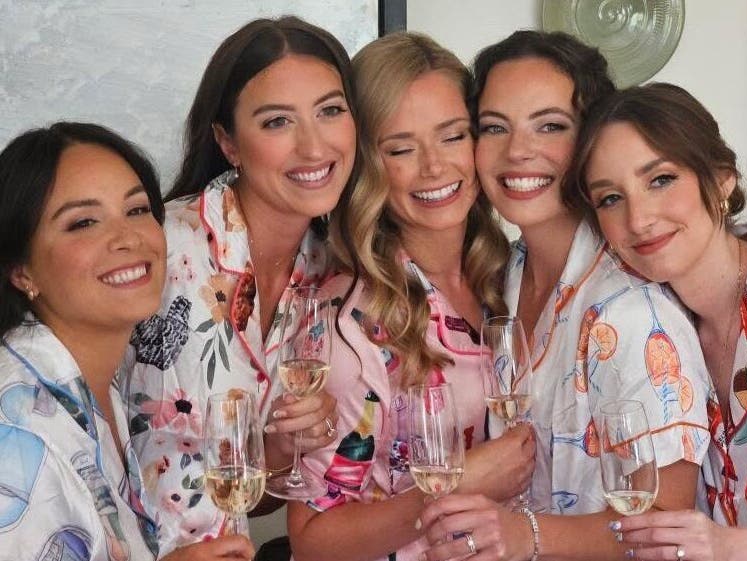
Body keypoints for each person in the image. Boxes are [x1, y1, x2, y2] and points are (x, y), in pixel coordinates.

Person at [419, 31, 713, 561]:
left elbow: (669, 528)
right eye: (494, 128)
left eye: (550, 125)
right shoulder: (503, 277)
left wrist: (522, 536)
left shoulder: (631, 313)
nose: (517, 152)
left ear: (590, 141)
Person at [286, 32, 535, 561]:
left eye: (452, 137)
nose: (434, 167)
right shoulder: (351, 329)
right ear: (367, 166)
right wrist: (455, 481)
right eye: (400, 148)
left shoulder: (510, 277)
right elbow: (312, 541)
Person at [118, 16, 356, 555]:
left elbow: (250, 497)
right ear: (228, 142)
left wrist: (276, 450)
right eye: (277, 122)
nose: (314, 146)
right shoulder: (161, 246)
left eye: (331, 111)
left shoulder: (326, 273)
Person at [0, 122, 255, 560]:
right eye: (83, 222)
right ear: (21, 270)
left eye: (137, 210)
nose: (128, 238)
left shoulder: (96, 382)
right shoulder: (19, 435)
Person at [566, 82, 747, 560]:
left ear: (722, 178)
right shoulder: (653, 331)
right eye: (610, 199)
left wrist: (731, 548)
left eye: (660, 179)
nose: (638, 219)